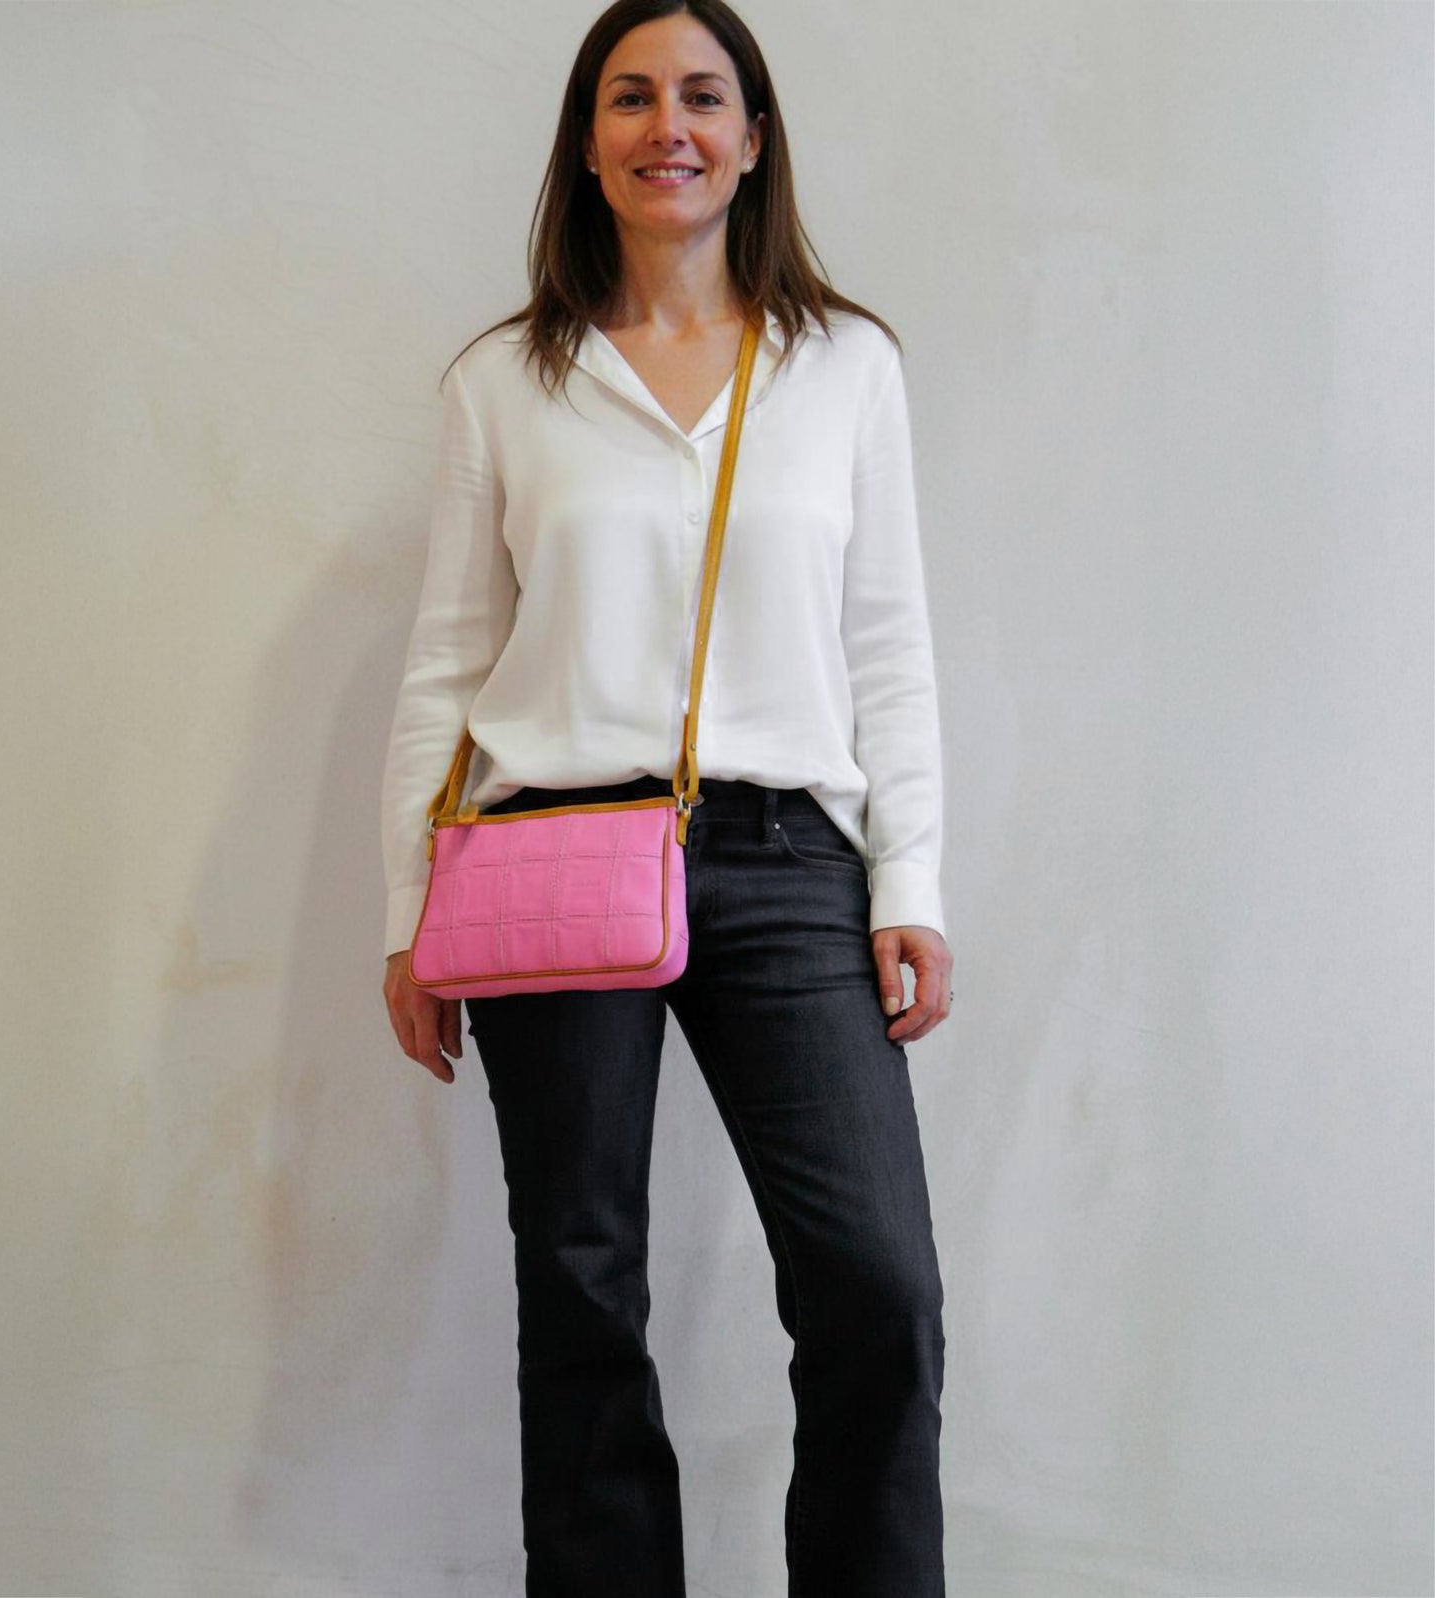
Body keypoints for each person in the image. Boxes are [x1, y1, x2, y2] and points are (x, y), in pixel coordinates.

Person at [380, 2, 955, 1592]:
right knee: (582, 1285)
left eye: (703, 96)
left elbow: (890, 643)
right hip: (549, 854)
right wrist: (406, 913)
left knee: (878, 1284)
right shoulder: (508, 380)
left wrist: (908, 880)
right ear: (589, 142)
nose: (668, 127)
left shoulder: (844, 366)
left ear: (754, 137)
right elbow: (445, 666)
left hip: (786, 855)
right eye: (630, 98)